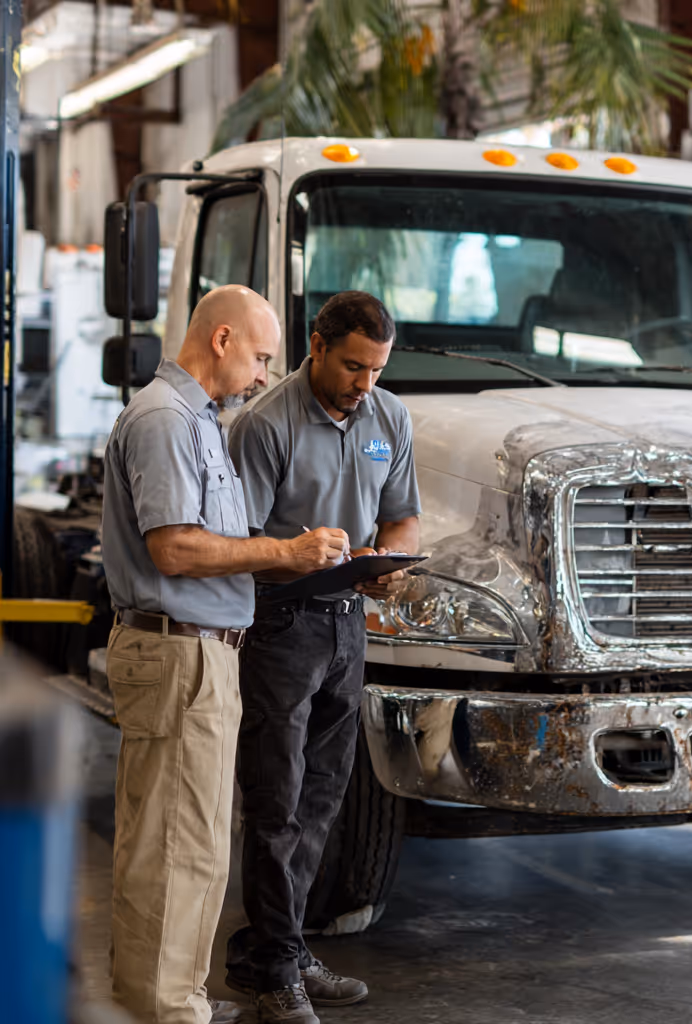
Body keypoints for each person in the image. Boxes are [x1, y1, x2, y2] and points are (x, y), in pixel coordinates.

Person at [102, 285, 351, 1024]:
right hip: (178, 654)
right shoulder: (163, 420)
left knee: (197, 846)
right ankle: (165, 1010)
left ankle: (173, 994)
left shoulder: (203, 423)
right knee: (174, 848)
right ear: (221, 340)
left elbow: (218, 546)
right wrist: (284, 548)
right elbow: (174, 546)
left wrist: (308, 560)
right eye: (261, 355)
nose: (266, 373)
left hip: (204, 655)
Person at [225, 291, 421, 1023]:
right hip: (280, 625)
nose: (363, 383)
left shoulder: (388, 416)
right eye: (351, 366)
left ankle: (280, 948)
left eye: (375, 369)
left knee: (322, 800)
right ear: (316, 344)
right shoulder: (264, 425)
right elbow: (238, 548)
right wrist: (296, 556)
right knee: (276, 802)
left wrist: (392, 559)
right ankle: (274, 969)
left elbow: (402, 516)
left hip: (349, 623)